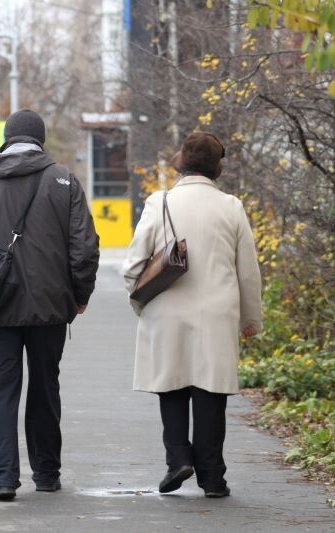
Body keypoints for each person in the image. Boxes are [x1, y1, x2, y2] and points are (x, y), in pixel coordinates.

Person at [0, 108, 100, 501]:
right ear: (41, 140)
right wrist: (79, 295)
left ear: (6, 138)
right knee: (45, 387)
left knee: (1, 393)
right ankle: (47, 473)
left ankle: (3, 480)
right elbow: (84, 248)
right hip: (50, 305)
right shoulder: (63, 179)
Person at [121, 132, 262, 498]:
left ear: (181, 161)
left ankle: (178, 459)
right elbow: (247, 271)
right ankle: (213, 478)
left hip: (166, 309)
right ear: (218, 166)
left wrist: (141, 302)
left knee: (171, 387)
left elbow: (132, 265)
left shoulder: (160, 202)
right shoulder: (231, 207)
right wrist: (250, 320)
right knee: (211, 394)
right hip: (217, 313)